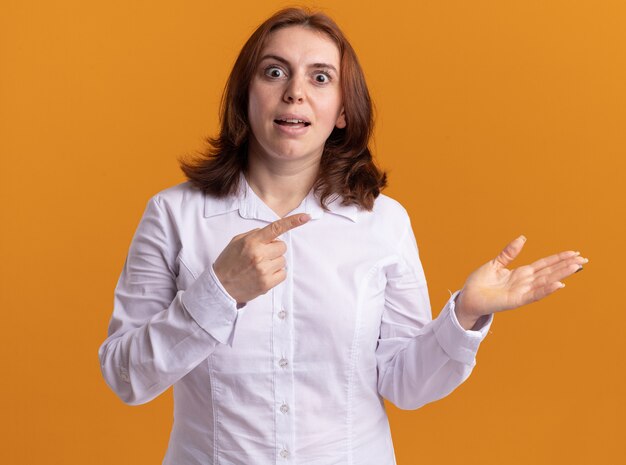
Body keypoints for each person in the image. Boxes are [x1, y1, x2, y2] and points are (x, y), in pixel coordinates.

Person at [98, 7, 588, 465]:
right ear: (244, 96)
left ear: (342, 112)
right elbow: (125, 376)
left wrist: (465, 314)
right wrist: (217, 294)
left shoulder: (384, 222)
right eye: (274, 72)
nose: (295, 92)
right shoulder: (172, 214)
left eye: (320, 77)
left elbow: (405, 383)